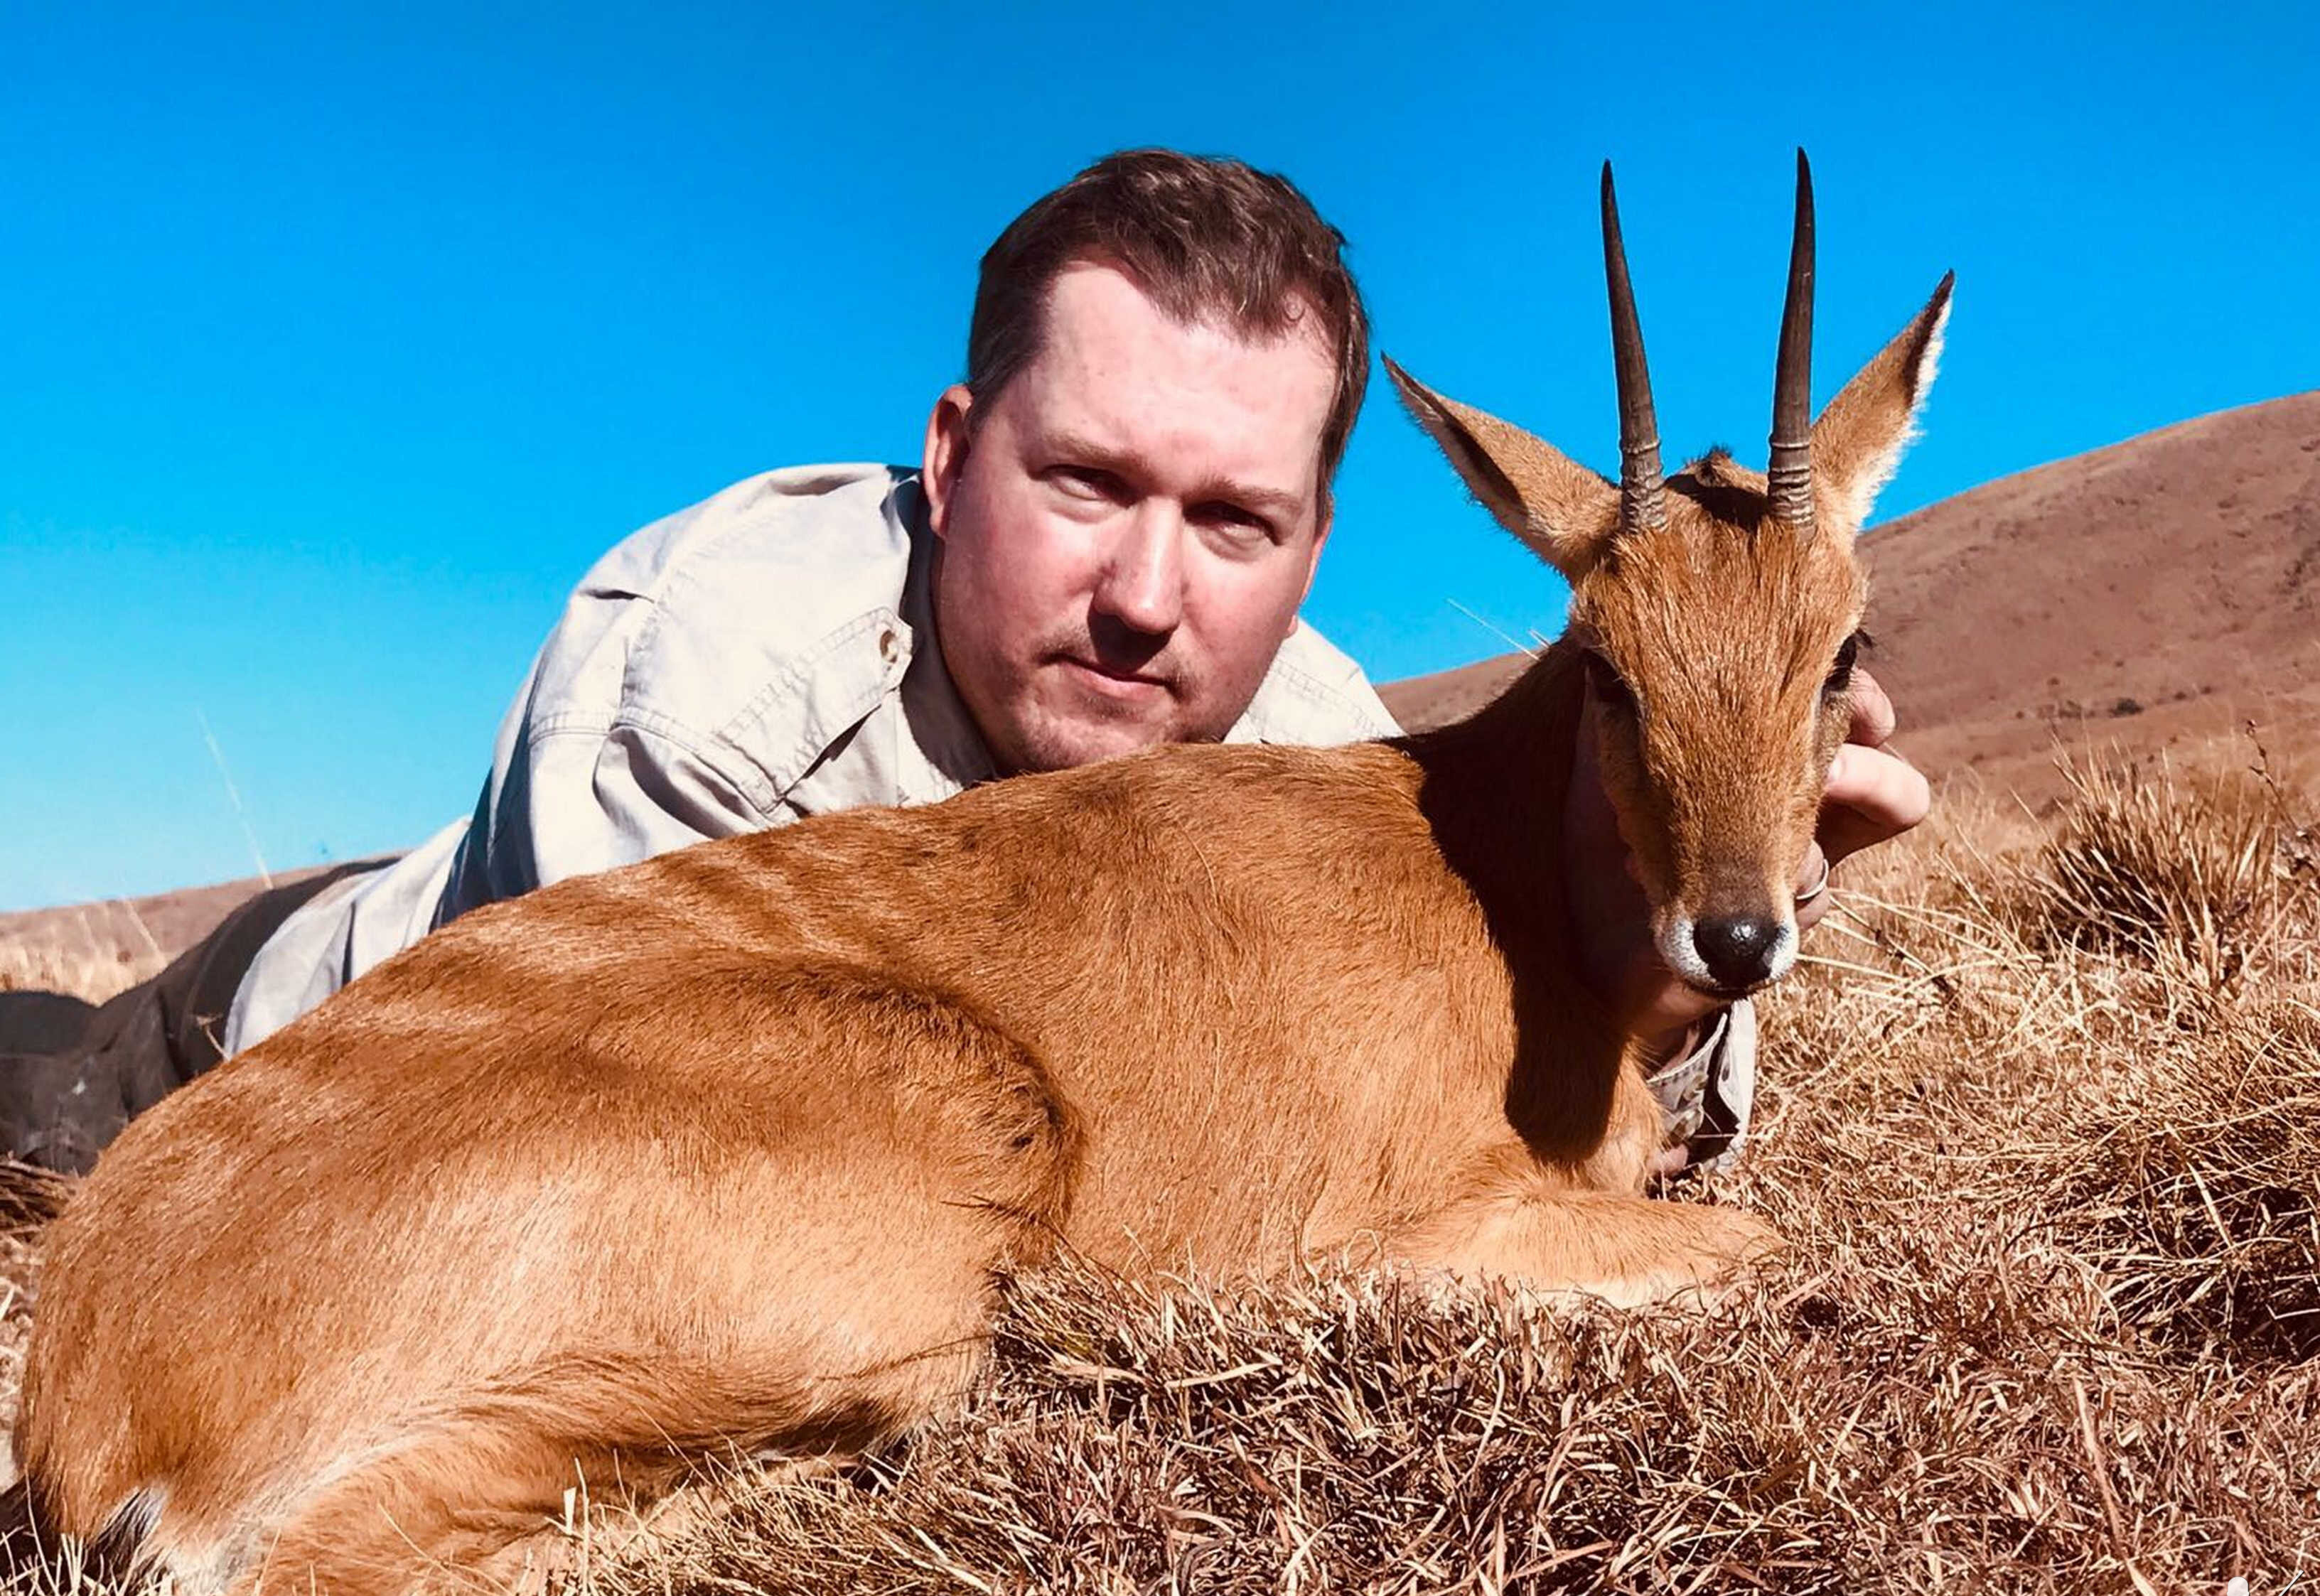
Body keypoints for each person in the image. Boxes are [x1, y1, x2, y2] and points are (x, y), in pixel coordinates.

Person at [0, 148, 1929, 1177]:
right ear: (948, 454)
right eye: (1086, 483)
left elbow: (1553, 1082)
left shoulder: (1318, 739)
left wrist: (1672, 944)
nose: (1148, 601)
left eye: (1237, 524)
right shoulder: (710, 678)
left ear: (1320, 548)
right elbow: (646, 1150)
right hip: (288, 1056)